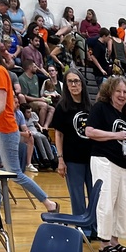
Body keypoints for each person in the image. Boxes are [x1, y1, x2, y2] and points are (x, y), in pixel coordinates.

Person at [0, 36, 58, 211]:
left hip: (5, 129)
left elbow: (1, 106)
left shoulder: (0, 72)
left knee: (15, 173)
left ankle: (49, 203)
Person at [86, 74, 126, 252]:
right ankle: (104, 242)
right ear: (110, 92)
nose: (122, 95)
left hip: (123, 165)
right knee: (105, 202)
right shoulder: (100, 108)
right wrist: (115, 135)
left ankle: (115, 240)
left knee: (121, 205)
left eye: (125, 92)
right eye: (118, 91)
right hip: (104, 160)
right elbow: (89, 131)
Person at [52, 70, 94, 220]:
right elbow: (58, 134)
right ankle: (83, 229)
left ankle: (96, 228)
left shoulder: (91, 107)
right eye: (70, 81)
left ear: (82, 82)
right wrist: (60, 159)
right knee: (77, 197)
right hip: (72, 159)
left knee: (95, 195)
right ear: (66, 85)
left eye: (76, 81)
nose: (74, 84)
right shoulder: (62, 108)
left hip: (92, 158)